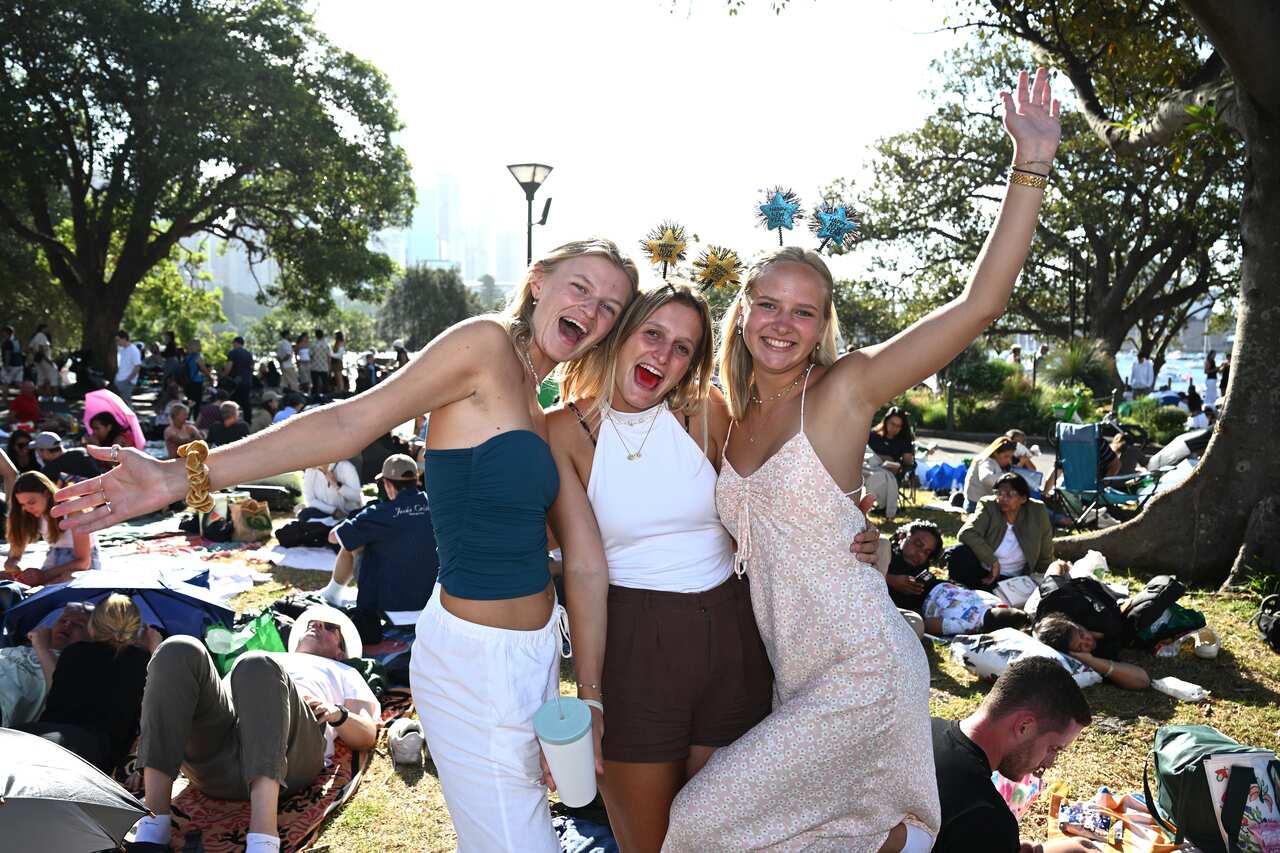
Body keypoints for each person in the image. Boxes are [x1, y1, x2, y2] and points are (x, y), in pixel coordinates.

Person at [53, 238, 640, 851]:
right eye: (582, 288)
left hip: (532, 655)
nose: (592, 311)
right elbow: (347, 423)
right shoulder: (485, 345)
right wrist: (181, 475)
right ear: (539, 280)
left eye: (609, 306)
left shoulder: (535, 391)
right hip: (476, 663)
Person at [666, 68, 1060, 852]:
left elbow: (980, 303)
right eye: (767, 304)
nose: (783, 323)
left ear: (822, 325)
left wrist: (1032, 165)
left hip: (863, 666)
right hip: (794, 672)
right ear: (741, 312)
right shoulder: (725, 413)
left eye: (803, 311)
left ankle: (903, 841)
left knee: (699, 821)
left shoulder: (844, 392)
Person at [550, 285, 876, 851]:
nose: (663, 356)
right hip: (635, 648)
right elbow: (581, 568)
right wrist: (592, 696)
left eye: (683, 347)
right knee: (649, 844)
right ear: (621, 334)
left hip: (733, 640)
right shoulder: (561, 430)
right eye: (652, 334)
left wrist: (856, 534)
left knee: (722, 840)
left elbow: (768, 503)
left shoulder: (708, 411)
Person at [125, 607, 379, 853]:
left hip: (291, 758)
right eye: (313, 622)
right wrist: (145, 751)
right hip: (219, 756)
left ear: (340, 652)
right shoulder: (268, 658)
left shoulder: (345, 672)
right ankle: (153, 829)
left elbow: (367, 735)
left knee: (257, 662)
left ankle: (263, 841)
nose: (317, 624)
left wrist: (337, 714)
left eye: (330, 627)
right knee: (178, 648)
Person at [932, 657, 1092, 853]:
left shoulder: (924, 730)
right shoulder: (986, 817)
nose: (1050, 763)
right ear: (1024, 726)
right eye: (1054, 748)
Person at [18, 594, 156, 773]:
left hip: (44, 735)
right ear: (136, 628)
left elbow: (57, 696)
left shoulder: (73, 652)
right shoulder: (144, 661)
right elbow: (153, 709)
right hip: (96, 753)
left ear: (92, 627)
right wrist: (154, 649)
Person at [322, 454, 437, 617]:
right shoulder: (439, 506)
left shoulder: (379, 513)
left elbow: (334, 537)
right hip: (434, 607)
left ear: (388, 485)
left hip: (388, 609)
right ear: (416, 479)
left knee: (353, 540)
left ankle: (331, 594)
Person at [950, 473, 1054, 591]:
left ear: (1023, 498)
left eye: (1010, 494)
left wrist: (1045, 575)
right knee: (958, 553)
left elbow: (1045, 549)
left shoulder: (1036, 511)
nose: (1002, 498)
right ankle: (957, 590)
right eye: (999, 493)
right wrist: (993, 561)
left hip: (1013, 580)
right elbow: (967, 533)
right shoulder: (989, 505)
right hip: (984, 571)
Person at [0, 602, 91, 726]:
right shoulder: (24, 648)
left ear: (92, 637)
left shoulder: (77, 668)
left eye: (78, 625)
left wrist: (42, 647)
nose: (67, 625)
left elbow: (62, 695)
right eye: (63, 620)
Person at [3, 470, 102, 584]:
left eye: (31, 502)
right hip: (54, 557)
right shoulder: (30, 514)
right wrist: (12, 565)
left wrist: (43, 576)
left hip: (81, 564)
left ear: (47, 494)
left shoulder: (73, 511)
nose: (27, 508)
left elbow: (83, 562)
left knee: (64, 581)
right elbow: (14, 555)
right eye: (22, 504)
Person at [1034, 614, 1151, 690]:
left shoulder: (1092, 619)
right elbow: (1143, 680)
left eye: (1081, 633)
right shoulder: (1091, 658)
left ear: (1077, 624)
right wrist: (1092, 661)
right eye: (1080, 646)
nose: (1088, 641)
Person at [881, 520, 945, 636]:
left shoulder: (920, 571)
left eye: (927, 552)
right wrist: (890, 579)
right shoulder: (883, 552)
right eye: (918, 545)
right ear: (902, 536)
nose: (920, 554)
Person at [921, 581, 1030, 636]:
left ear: (1003, 606)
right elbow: (927, 625)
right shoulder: (966, 626)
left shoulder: (994, 600)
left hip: (943, 584)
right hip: (923, 600)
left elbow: (971, 592)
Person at [962, 435, 1017, 511]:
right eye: (1006, 456)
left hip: (986, 502)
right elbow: (987, 478)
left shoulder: (999, 463)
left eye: (1010, 457)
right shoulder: (985, 461)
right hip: (975, 503)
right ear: (995, 453)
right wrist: (1007, 483)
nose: (1009, 460)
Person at [30, 431, 102, 484]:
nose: (38, 454)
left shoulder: (48, 471)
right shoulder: (81, 451)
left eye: (38, 450)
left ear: (45, 451)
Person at [867, 406, 916, 475]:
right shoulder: (873, 435)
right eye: (892, 424)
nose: (895, 428)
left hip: (889, 473)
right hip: (870, 469)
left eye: (898, 426)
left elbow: (907, 462)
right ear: (886, 422)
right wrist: (885, 458)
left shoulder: (903, 440)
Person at [226, 336, 255, 419]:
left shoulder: (233, 352)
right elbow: (252, 367)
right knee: (246, 402)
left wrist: (224, 375)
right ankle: (248, 420)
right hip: (247, 381)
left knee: (232, 401)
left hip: (236, 381)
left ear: (235, 343)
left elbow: (229, 367)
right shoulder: (249, 354)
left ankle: (231, 419)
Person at [114, 329, 143, 406]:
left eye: (118, 340)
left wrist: (128, 380)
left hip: (126, 382)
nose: (117, 342)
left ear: (124, 339)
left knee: (126, 404)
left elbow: (137, 367)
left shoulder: (134, 350)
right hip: (119, 380)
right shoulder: (122, 350)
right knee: (120, 404)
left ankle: (130, 418)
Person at [182, 339, 211, 406]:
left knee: (189, 402)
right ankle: (195, 416)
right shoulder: (198, 357)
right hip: (197, 382)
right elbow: (204, 369)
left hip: (187, 382)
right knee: (196, 403)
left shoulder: (187, 357)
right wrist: (210, 377)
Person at [1, 324, 23, 401]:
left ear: (6, 332)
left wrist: (6, 365)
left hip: (10, 366)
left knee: (5, 383)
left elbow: (7, 354)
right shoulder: (16, 341)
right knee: (19, 383)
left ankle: (4, 400)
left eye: (3, 332)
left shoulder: (7, 342)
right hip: (19, 365)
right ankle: (23, 399)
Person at [309, 328, 331, 400]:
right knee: (325, 384)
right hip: (324, 367)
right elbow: (329, 357)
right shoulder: (326, 345)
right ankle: (327, 397)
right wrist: (329, 367)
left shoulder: (313, 344)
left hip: (315, 366)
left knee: (315, 384)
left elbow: (310, 355)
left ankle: (315, 398)